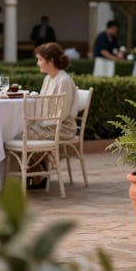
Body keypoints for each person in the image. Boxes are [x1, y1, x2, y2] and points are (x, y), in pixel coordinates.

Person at [29, 42, 78, 189]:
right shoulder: (48, 78)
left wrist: (40, 124)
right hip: (49, 125)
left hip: (63, 127)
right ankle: (39, 172)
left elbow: (62, 113)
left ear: (50, 61)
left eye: (40, 60)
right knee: (23, 131)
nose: (38, 63)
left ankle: (38, 174)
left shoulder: (64, 80)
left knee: (24, 134)